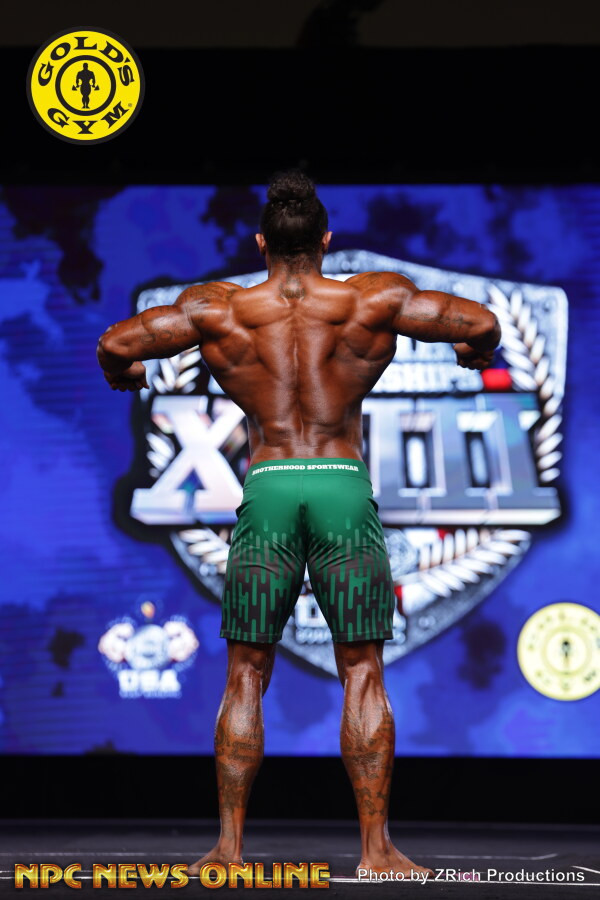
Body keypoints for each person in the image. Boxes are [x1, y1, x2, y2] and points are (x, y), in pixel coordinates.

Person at [96, 172, 501, 878]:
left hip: (271, 486)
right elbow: (483, 325)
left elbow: (116, 343)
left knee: (246, 672)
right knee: (362, 670)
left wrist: (122, 377)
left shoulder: (219, 307)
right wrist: (475, 354)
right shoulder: (372, 298)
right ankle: (376, 852)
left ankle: (228, 850)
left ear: (261, 243)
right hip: (341, 485)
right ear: (325, 240)